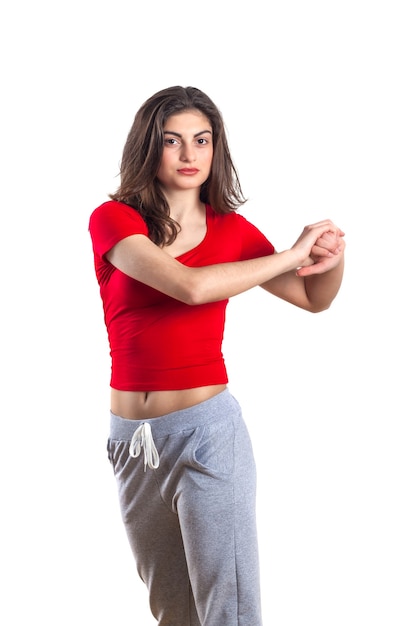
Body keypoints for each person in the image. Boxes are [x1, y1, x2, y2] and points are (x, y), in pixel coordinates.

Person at [88, 85, 345, 626]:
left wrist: (326, 259)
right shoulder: (115, 219)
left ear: (215, 148)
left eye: (201, 141)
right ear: (148, 147)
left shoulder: (232, 232)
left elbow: (313, 298)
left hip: (208, 435)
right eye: (172, 141)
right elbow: (188, 286)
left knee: (227, 611)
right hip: (133, 444)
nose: (189, 155)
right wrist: (289, 253)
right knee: (173, 611)